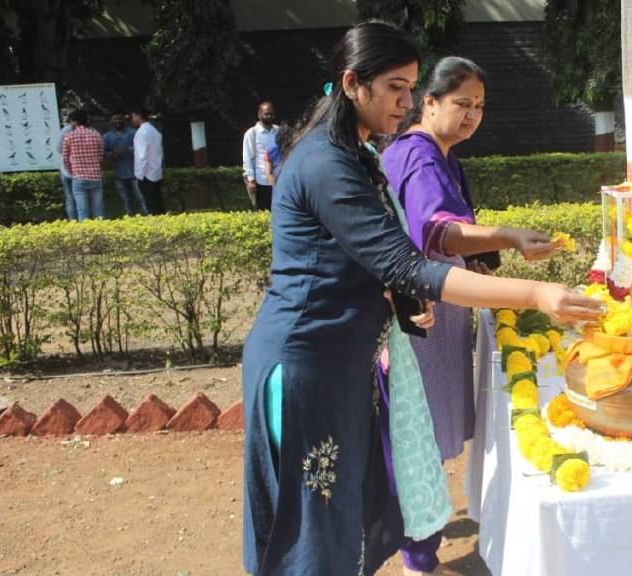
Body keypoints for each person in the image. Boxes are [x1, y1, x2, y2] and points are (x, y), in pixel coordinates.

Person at [241, 21, 603, 576]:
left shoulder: (355, 152)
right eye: (395, 88)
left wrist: (400, 302)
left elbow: (372, 255)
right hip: (305, 362)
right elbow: (408, 259)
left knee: (345, 520)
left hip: (341, 361)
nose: (406, 102)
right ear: (352, 84)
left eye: (410, 88)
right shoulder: (325, 162)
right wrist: (534, 292)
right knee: (313, 529)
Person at [380, 56, 557, 576]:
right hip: (424, 314)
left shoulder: (441, 154)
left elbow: (454, 236)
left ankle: (420, 546)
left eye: (479, 106)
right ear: (428, 102)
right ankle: (418, 559)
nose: (472, 115)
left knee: (426, 433)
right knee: (423, 435)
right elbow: (437, 232)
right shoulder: (418, 155)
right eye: (462, 103)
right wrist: (507, 237)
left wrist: (484, 258)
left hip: (439, 307)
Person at [60, 110, 106, 221]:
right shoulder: (96, 135)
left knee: (82, 211)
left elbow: (65, 159)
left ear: (74, 122)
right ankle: (102, 234)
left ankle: (86, 235)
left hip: (79, 178)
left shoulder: (69, 136)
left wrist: (72, 172)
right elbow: (100, 156)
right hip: (95, 176)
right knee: (98, 210)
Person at [103, 110, 148, 217]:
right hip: (119, 173)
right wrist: (113, 153)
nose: (117, 121)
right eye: (115, 119)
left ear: (124, 120)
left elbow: (142, 148)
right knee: (126, 200)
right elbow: (103, 153)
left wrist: (128, 149)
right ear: (111, 121)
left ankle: (148, 217)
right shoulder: (107, 137)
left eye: (120, 119)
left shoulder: (133, 132)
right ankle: (131, 220)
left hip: (135, 172)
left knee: (141, 197)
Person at [242, 101, 278, 210]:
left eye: (271, 114)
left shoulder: (279, 131)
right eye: (266, 114)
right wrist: (251, 181)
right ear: (259, 114)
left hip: (278, 180)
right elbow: (247, 157)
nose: (269, 116)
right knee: (264, 213)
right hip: (261, 181)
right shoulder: (251, 133)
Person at [132, 109, 164, 215]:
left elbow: (142, 156)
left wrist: (138, 175)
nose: (132, 119)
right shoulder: (155, 131)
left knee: (151, 205)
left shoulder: (141, 133)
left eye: (133, 116)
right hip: (156, 172)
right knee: (158, 203)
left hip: (146, 174)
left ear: (138, 116)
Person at [56, 114, 76, 220]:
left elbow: (59, 149)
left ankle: (76, 222)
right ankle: (74, 221)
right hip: (69, 171)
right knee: (71, 198)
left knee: (72, 198)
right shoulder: (65, 131)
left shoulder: (65, 131)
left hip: (71, 170)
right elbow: (60, 150)